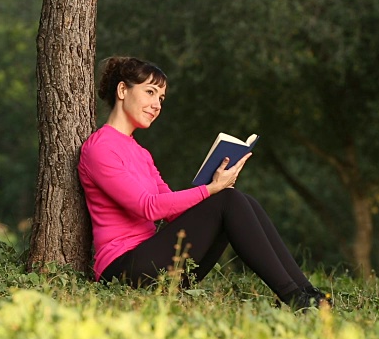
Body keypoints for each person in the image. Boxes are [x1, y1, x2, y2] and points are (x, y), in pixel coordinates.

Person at [77, 56, 332, 311]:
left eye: (161, 98)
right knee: (227, 200)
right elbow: (148, 208)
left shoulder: (141, 153)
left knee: (239, 200)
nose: (156, 105)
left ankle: (307, 293)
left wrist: (215, 184)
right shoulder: (100, 148)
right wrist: (211, 190)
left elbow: (172, 213)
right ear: (123, 90)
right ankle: (294, 298)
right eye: (150, 92)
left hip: (154, 260)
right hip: (123, 270)